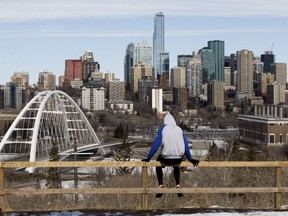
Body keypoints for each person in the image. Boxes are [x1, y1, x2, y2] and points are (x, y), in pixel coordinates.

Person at [142, 113, 199, 198]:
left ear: (165, 121)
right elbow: (185, 145)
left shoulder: (163, 129)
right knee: (176, 166)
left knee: (158, 163)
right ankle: (178, 185)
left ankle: (161, 185)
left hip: (165, 158)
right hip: (178, 158)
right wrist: (190, 159)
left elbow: (155, 145)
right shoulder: (179, 129)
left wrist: (148, 158)